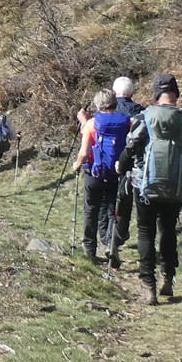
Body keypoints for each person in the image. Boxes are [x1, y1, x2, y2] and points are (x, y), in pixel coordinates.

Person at [117, 73, 182, 305]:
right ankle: (167, 277)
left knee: (145, 232)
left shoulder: (144, 118)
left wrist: (122, 165)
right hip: (176, 187)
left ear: (156, 94)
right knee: (168, 229)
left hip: (144, 187)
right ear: (176, 94)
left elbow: (130, 150)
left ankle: (148, 286)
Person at [72, 89, 130, 262]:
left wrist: (76, 165)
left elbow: (84, 152)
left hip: (94, 173)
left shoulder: (92, 123)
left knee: (91, 209)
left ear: (98, 104)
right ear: (115, 103)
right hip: (116, 173)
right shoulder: (126, 122)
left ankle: (90, 249)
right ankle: (110, 244)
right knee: (113, 211)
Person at [110, 75, 145, 267]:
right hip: (138, 166)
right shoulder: (141, 112)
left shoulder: (110, 111)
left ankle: (116, 237)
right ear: (131, 93)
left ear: (115, 92)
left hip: (114, 164)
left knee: (118, 202)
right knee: (136, 204)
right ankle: (139, 241)